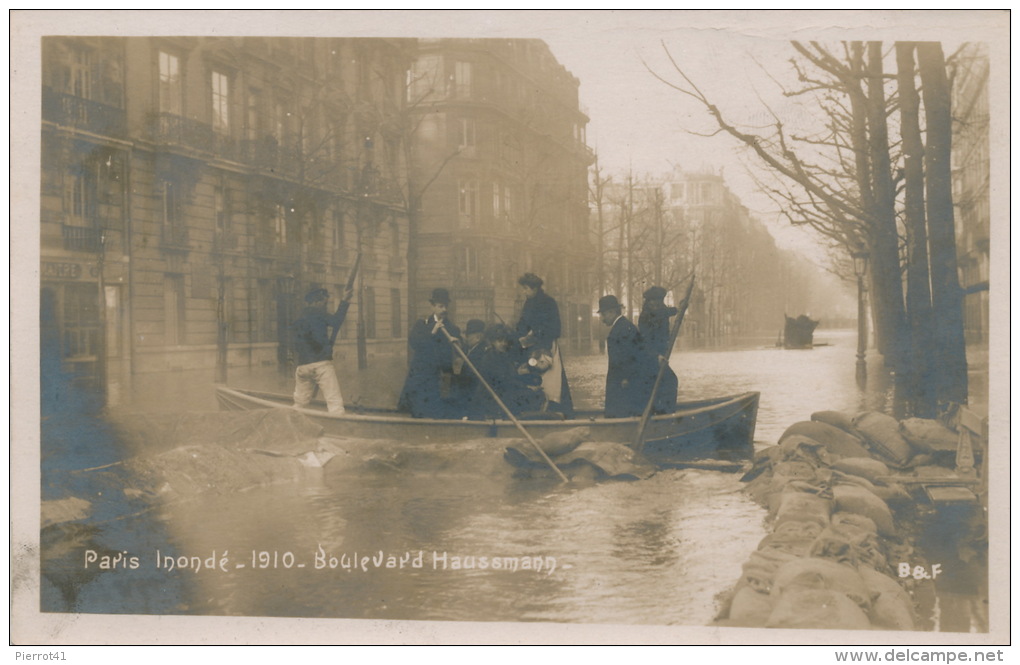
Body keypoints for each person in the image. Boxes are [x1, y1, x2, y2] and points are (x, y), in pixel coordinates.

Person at [514, 272, 574, 417]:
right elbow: (522, 324)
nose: (524, 292)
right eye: (523, 289)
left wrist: (535, 334)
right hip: (530, 348)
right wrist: (519, 335)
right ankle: (535, 411)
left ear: (535, 289)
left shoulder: (549, 303)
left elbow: (555, 329)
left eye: (526, 289)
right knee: (532, 379)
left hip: (546, 348)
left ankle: (556, 411)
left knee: (551, 381)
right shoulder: (528, 303)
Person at [398, 287, 462, 418]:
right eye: (440, 306)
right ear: (432, 307)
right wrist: (432, 332)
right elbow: (414, 343)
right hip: (421, 373)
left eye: (446, 306)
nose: (444, 310)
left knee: (439, 408)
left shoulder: (452, 328)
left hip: (441, 374)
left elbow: (460, 353)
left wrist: (458, 343)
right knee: (418, 407)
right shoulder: (421, 325)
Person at [292, 286, 353, 414]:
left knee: (300, 403)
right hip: (321, 364)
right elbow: (337, 321)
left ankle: (294, 419)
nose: (324, 306)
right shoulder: (318, 312)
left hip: (302, 366)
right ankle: (339, 426)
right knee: (335, 403)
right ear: (316, 302)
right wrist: (345, 301)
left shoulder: (299, 317)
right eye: (324, 303)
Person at [597, 294, 658, 418]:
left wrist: (625, 377)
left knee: (620, 412)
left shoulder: (620, 329)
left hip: (621, 382)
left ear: (611, 312)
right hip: (626, 380)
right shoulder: (626, 326)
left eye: (603, 315)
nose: (602, 319)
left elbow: (626, 357)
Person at [471, 323, 545, 418]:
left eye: (505, 340)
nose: (503, 343)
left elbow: (510, 377)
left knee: (535, 394)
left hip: (502, 392)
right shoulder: (490, 358)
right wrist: (526, 387)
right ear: (492, 342)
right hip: (492, 397)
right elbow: (503, 381)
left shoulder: (503, 356)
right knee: (528, 396)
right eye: (499, 340)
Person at [638, 286, 679, 414]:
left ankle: (663, 411)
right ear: (648, 302)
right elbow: (644, 343)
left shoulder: (661, 311)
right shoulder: (645, 317)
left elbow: (670, 311)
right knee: (670, 381)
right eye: (652, 301)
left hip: (660, 356)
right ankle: (665, 414)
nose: (655, 304)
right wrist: (656, 356)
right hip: (649, 358)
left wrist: (680, 307)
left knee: (663, 384)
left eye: (658, 301)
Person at [449, 318, 488, 415]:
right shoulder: (474, 349)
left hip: (473, 396)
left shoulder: (480, 352)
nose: (465, 338)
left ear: (478, 337)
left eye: (467, 335)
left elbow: (470, 374)